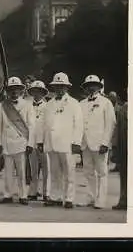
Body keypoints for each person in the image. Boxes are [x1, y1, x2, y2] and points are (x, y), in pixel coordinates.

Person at [36, 72, 83, 209]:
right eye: (57, 86)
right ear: (53, 88)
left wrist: (76, 142)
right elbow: (42, 124)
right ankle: (56, 197)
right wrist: (40, 141)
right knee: (54, 172)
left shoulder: (74, 103)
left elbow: (78, 124)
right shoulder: (48, 104)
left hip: (67, 143)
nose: (59, 89)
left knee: (69, 171)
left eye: (62, 86)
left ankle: (69, 198)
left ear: (67, 87)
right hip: (51, 142)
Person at [0, 76, 35, 205]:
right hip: (7, 142)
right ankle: (7, 194)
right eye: (11, 89)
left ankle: (23, 195)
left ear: (21, 91)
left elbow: (31, 126)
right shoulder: (3, 106)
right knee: (7, 171)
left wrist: (30, 143)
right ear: (7, 91)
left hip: (21, 142)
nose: (14, 92)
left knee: (22, 171)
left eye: (16, 89)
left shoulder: (27, 105)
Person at [80, 75, 116, 209]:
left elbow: (110, 124)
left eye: (94, 85)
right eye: (88, 85)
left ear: (99, 87)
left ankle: (101, 200)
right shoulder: (81, 104)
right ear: (85, 88)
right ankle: (90, 197)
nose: (91, 87)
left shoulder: (106, 103)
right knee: (88, 171)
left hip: (99, 143)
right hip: (85, 143)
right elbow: (78, 124)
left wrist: (105, 143)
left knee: (102, 172)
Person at [26, 80, 50, 201]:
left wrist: (44, 141)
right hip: (31, 141)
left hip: (44, 142)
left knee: (47, 168)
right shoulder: (27, 106)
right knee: (33, 168)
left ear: (43, 93)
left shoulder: (48, 106)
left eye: (39, 91)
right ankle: (33, 191)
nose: (37, 94)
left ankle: (47, 192)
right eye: (34, 91)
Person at [112, 101, 127, 210]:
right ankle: (123, 200)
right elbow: (117, 129)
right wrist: (115, 147)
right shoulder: (123, 108)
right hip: (124, 146)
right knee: (124, 174)